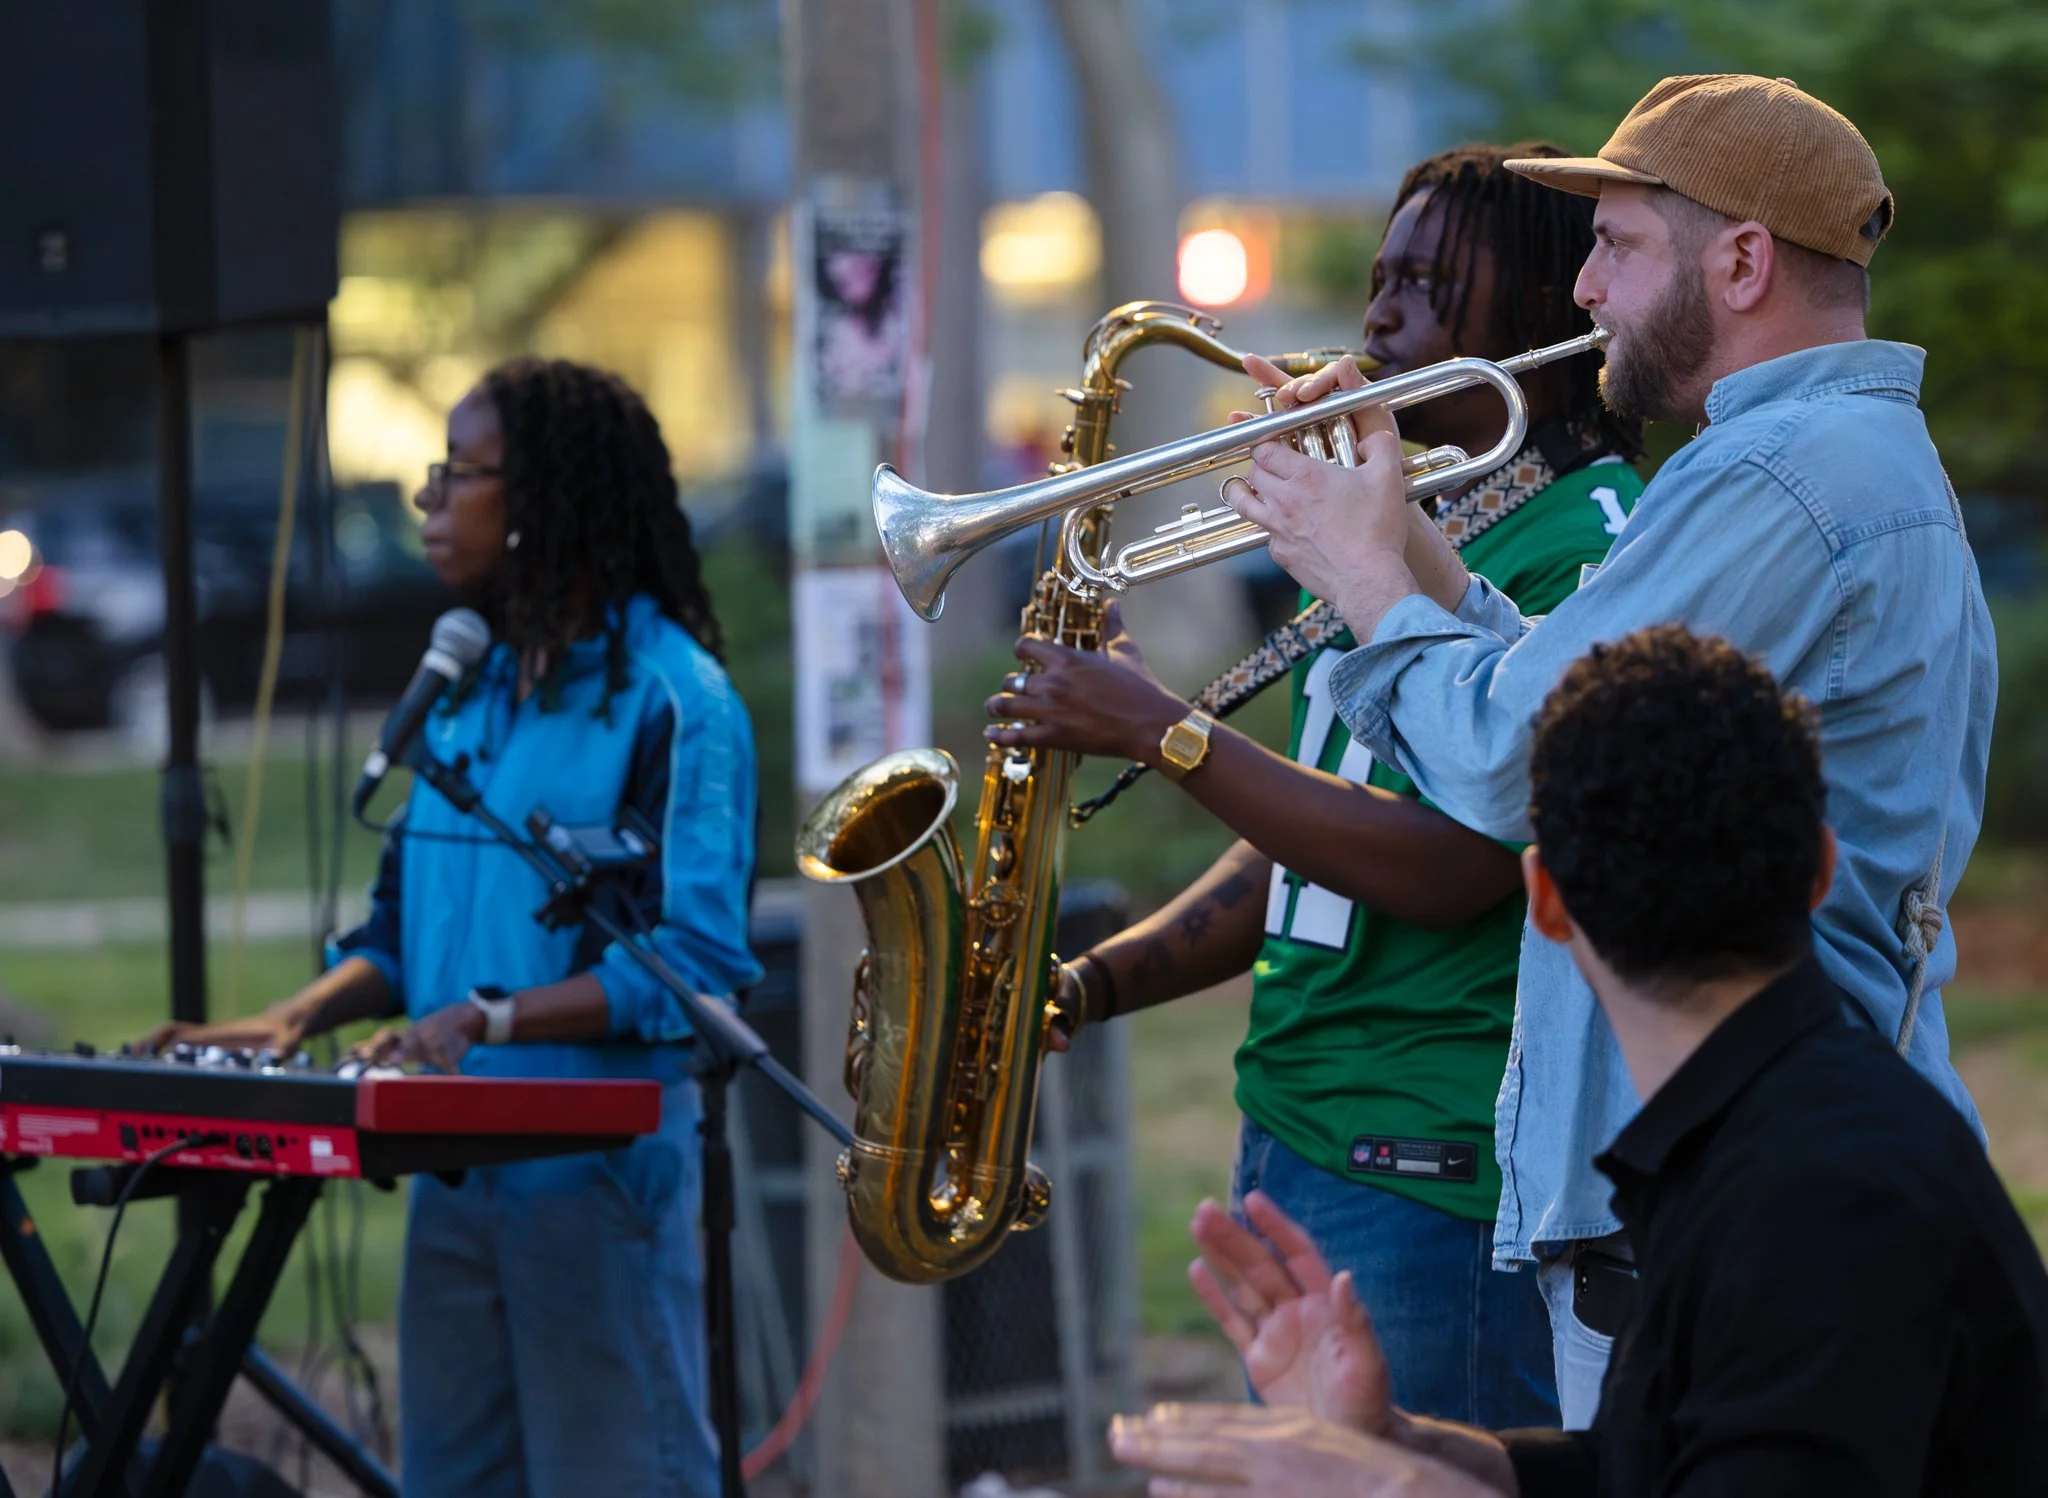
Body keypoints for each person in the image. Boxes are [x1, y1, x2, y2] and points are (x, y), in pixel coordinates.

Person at [1219, 73, 1997, 1424]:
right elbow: (1559, 687)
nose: (1582, 289)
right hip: (1732, 1169)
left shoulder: (1784, 479)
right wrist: (1403, 535)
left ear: (1743, 261)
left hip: (1733, 1177)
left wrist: (1359, 581)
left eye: (1617, 246)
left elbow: (1531, 768)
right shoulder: (1795, 461)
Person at [986, 143, 1645, 1427]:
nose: (1377, 316)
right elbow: (1312, 835)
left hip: (1438, 1160)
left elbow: (1456, 862)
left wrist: (1164, 732)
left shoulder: (1591, 540)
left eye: (1423, 283)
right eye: (1376, 279)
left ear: (1535, 309)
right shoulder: (1386, 522)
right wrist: (1083, 985)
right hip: (1294, 1123)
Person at [1111, 627, 2048, 1496]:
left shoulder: (1827, 1189)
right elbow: (1649, 1465)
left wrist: (1397, 1491)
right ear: (1818, 870)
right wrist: (1403, 1441)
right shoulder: (1767, 1128)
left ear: (1546, 903)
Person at [142, 358, 760, 1498]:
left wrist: (487, 1019)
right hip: (455, 1179)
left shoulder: (677, 702)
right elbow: (394, 930)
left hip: (594, 1176)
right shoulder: (463, 694)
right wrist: (282, 1022)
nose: (426, 499)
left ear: (543, 504)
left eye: (457, 474)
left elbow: (693, 970)